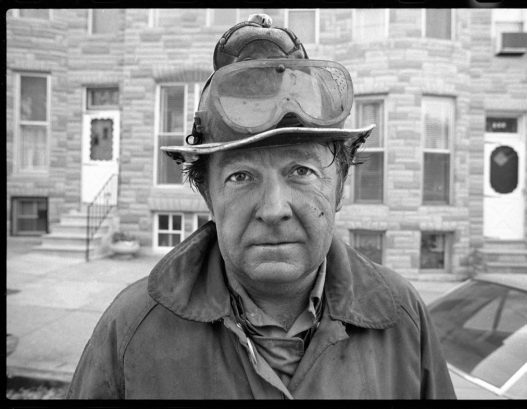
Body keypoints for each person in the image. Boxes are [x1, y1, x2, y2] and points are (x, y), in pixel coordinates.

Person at [67, 14, 456, 399]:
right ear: (208, 197)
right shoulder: (133, 330)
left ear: (339, 187)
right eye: (241, 176)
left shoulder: (402, 319)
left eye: (301, 171)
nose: (274, 209)